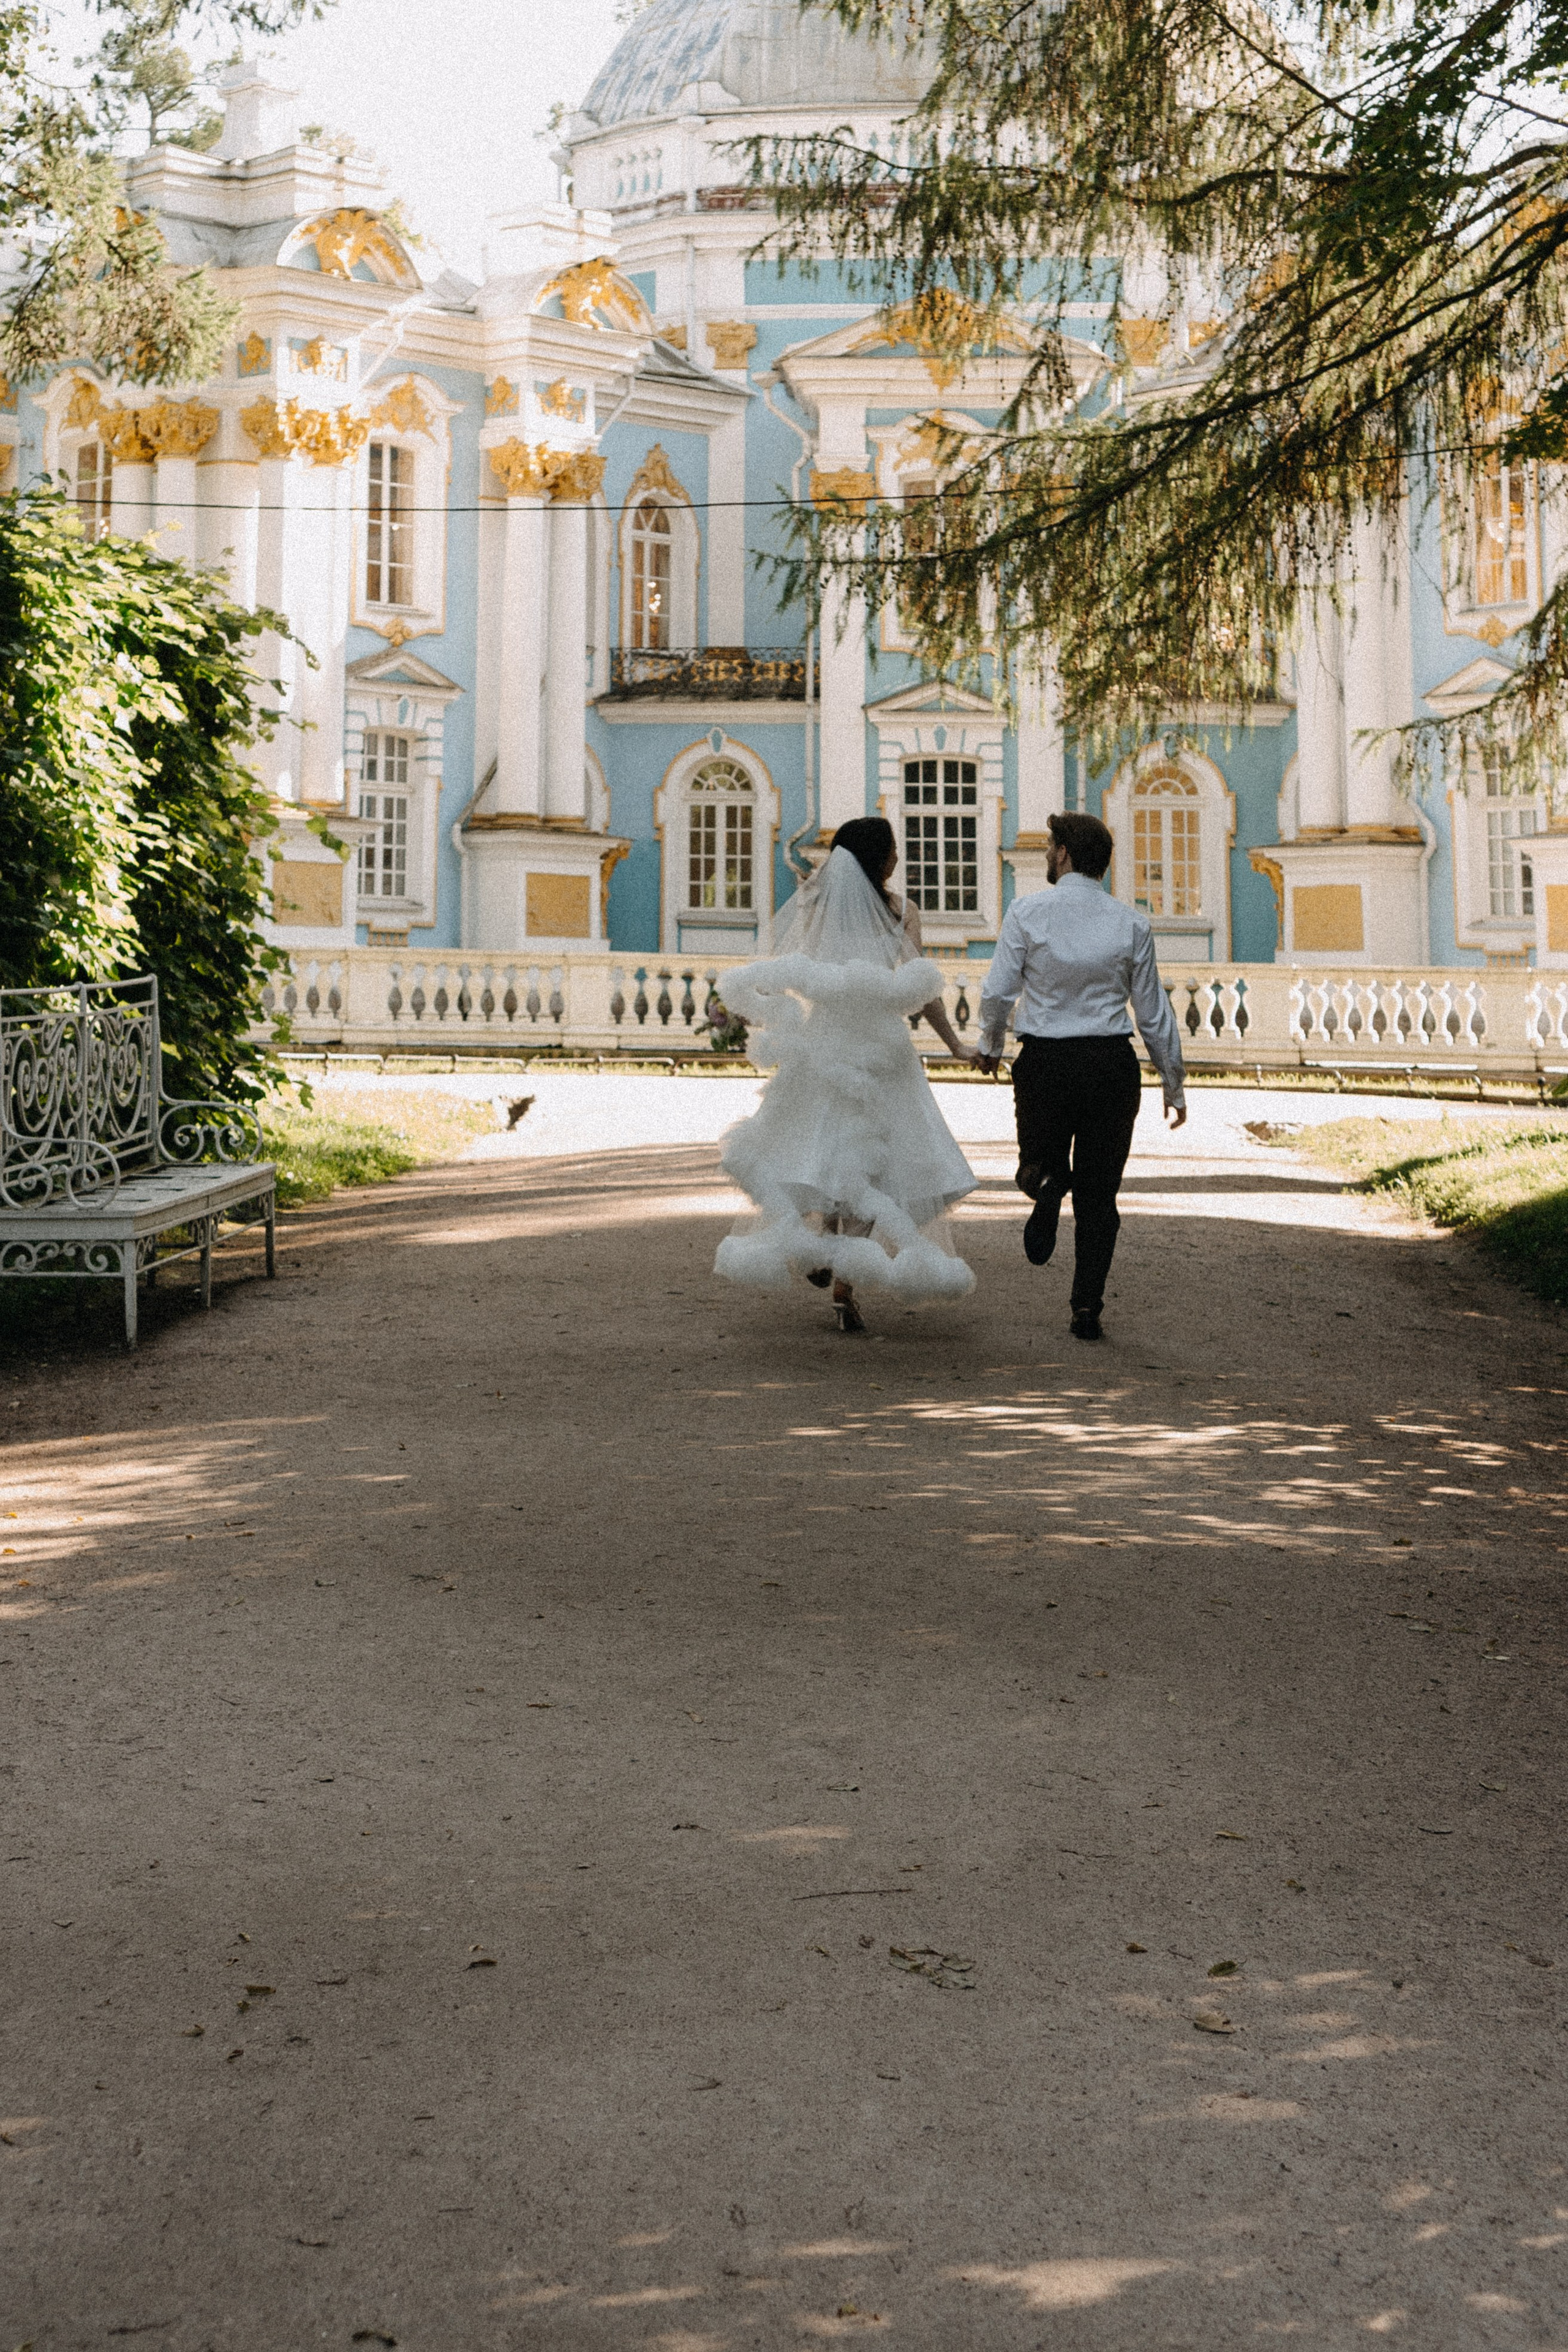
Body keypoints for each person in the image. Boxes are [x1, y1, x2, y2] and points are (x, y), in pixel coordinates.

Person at [714, 816, 980, 1332]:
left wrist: (769, 1014)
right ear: (879, 860)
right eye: (895, 851)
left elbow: (792, 975)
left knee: (818, 1149)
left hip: (825, 1048)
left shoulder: (816, 907)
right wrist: (955, 1044)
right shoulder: (902, 913)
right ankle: (843, 1283)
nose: (899, 859)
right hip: (882, 1052)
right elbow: (921, 993)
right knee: (875, 1164)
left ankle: (821, 1248)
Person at [975, 810, 1186, 1343]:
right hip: (1110, 1067)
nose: (1046, 853)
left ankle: (1045, 1188)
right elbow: (1153, 1011)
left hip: (1045, 1063)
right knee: (1100, 1196)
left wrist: (990, 1045)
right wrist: (1173, 1081)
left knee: (1037, 1162)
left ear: (1065, 853)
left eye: (1050, 846)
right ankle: (1086, 1308)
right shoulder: (1131, 922)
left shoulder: (1026, 913)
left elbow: (998, 991)